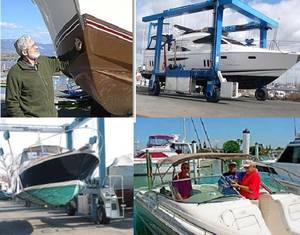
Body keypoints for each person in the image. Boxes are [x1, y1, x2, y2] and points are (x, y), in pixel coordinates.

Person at [5, 35, 83, 117]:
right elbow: (12, 103)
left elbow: (62, 62)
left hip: (53, 117)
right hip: (34, 122)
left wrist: (76, 50)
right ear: (24, 52)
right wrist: (24, 122)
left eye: (35, 44)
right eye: (32, 46)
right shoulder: (15, 72)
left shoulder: (44, 61)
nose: (36, 47)